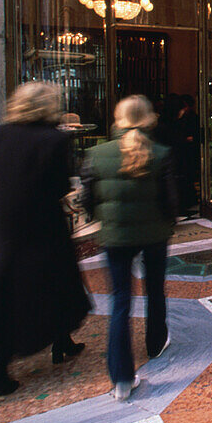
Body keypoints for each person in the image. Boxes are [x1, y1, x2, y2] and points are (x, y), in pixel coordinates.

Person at [0, 82, 91, 397]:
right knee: (57, 280)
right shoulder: (55, 139)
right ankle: (61, 340)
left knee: (7, 289)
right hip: (44, 223)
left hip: (8, 223)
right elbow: (60, 184)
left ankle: (2, 368)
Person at [82, 95, 178, 401]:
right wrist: (168, 224)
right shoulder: (161, 153)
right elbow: (170, 200)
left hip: (116, 237)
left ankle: (122, 378)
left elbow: (87, 200)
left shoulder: (96, 154)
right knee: (154, 289)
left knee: (120, 302)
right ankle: (156, 341)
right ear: (148, 118)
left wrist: (102, 220)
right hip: (154, 234)